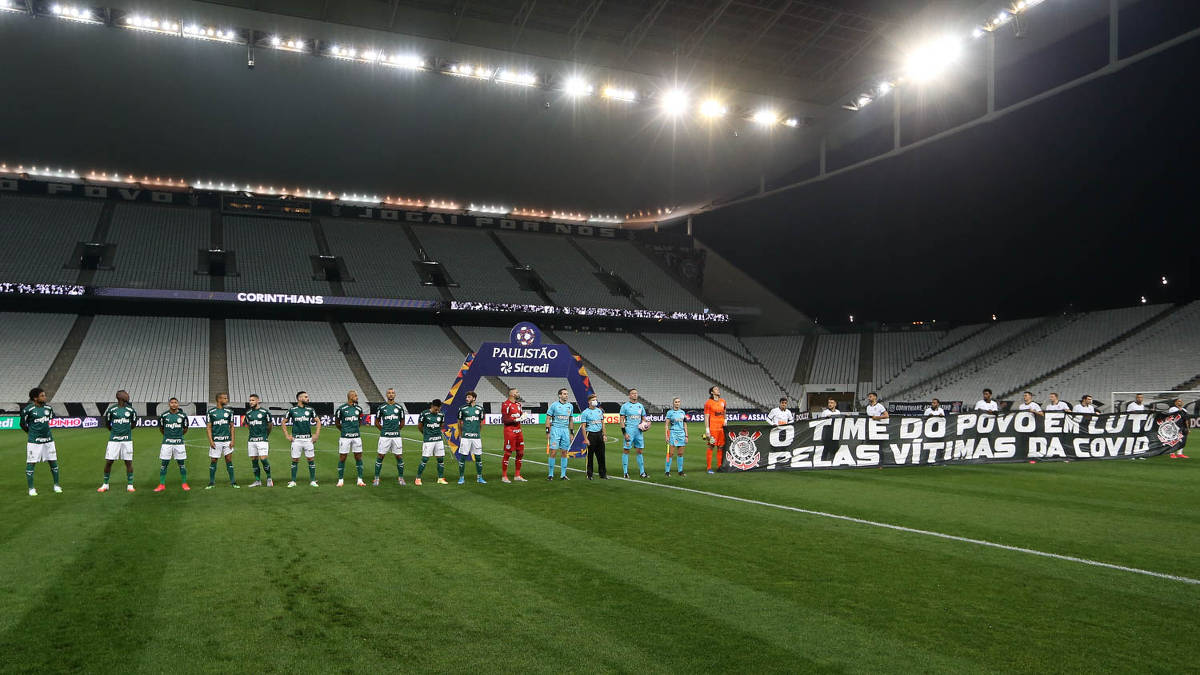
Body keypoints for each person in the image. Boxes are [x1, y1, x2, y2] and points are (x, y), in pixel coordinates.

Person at [21, 387, 60, 496]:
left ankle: (56, 485)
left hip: (48, 441)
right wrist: (31, 434)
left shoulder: (48, 408)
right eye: (42, 396)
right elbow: (22, 424)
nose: (44, 397)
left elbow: (50, 419)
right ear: (35, 398)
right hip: (34, 442)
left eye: (44, 395)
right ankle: (31, 489)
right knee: (31, 464)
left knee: (53, 462)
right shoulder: (28, 410)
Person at [99, 390, 137, 493]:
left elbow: (133, 424)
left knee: (128, 462)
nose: (128, 395)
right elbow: (107, 423)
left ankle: (130, 485)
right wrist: (114, 432)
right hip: (114, 441)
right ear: (119, 396)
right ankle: (105, 484)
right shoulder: (112, 410)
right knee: (109, 461)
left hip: (127, 441)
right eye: (125, 394)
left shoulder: (131, 410)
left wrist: (126, 431)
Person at [284, 391, 321, 487]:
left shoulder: (310, 409)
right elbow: (283, 422)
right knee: (295, 459)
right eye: (306, 397)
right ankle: (293, 481)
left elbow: (318, 421)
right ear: (300, 398)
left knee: (310, 459)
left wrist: (316, 434)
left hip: (308, 439)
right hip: (296, 440)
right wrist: (287, 435)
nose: (308, 398)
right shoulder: (292, 410)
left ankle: (312, 480)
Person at [154, 397, 189, 492]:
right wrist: (168, 436)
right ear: (169, 404)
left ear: (178, 404)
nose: (174, 404)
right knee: (164, 464)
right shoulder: (164, 415)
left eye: (175, 402)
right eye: (172, 402)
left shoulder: (183, 416)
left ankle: (184, 483)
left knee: (181, 464)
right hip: (167, 443)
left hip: (179, 443)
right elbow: (161, 428)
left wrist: (178, 436)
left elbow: (185, 428)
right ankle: (161, 484)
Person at [373, 388, 407, 486]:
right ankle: (376, 478)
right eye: (389, 393)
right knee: (380, 456)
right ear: (386, 395)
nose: (391, 394)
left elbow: (402, 422)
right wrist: (383, 430)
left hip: (396, 437)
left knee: (399, 457)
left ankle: (401, 478)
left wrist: (396, 430)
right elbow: (377, 422)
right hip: (384, 437)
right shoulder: (381, 408)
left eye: (392, 393)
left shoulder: (399, 408)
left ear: (395, 395)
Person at [206, 392, 239, 489]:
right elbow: (208, 427)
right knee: (213, 460)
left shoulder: (229, 412)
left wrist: (232, 440)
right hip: (216, 441)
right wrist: (211, 441)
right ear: (219, 399)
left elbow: (232, 427)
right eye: (225, 398)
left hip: (227, 440)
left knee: (229, 460)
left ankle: (233, 482)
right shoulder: (211, 412)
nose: (226, 400)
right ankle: (211, 482)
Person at [334, 390, 366, 487]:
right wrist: (344, 431)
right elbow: (337, 423)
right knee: (342, 458)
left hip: (356, 437)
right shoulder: (341, 409)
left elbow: (360, 421)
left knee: (358, 457)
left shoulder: (359, 409)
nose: (357, 397)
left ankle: (360, 480)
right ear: (350, 397)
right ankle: (340, 480)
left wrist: (354, 430)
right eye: (355, 396)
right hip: (345, 438)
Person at [455, 391, 486, 484]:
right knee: (463, 457)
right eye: (466, 397)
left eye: (469, 397)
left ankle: (479, 477)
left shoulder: (480, 409)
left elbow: (481, 423)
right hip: (466, 437)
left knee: (478, 457)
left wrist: (477, 433)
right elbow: (459, 422)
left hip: (476, 437)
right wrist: (460, 434)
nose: (466, 399)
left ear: (474, 398)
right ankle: (461, 477)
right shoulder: (462, 409)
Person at [545, 389, 576, 481]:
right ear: (559, 395)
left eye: (567, 394)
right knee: (553, 452)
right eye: (564, 394)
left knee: (564, 452)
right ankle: (550, 474)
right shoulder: (554, 405)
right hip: (555, 430)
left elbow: (571, 420)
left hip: (565, 431)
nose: (566, 395)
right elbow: (547, 418)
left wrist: (571, 433)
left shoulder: (570, 406)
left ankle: (563, 475)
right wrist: (547, 431)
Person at [415, 399, 448, 485]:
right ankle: (418, 478)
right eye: (436, 409)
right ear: (432, 406)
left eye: (439, 409)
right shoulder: (424, 414)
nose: (437, 410)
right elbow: (419, 426)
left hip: (438, 440)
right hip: (428, 440)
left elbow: (441, 425)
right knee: (425, 459)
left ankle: (440, 478)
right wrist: (425, 433)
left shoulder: (441, 415)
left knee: (440, 459)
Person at [244, 394, 273, 487]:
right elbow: (248, 424)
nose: (250, 402)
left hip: (262, 440)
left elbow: (270, 425)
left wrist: (265, 435)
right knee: (254, 461)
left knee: (263, 459)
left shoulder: (265, 412)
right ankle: (257, 480)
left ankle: (269, 478)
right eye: (250, 400)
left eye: (252, 400)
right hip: (251, 440)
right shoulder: (248, 413)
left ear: (257, 401)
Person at [619, 388, 649, 479]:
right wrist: (624, 433)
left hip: (638, 432)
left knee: (639, 451)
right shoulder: (625, 406)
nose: (635, 395)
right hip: (629, 431)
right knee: (626, 450)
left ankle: (642, 472)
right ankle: (625, 472)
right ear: (629, 395)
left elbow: (644, 418)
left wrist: (645, 425)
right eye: (633, 393)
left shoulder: (640, 406)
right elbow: (621, 420)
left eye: (636, 393)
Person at [500, 388, 526, 483]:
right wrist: (516, 420)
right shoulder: (506, 404)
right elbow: (504, 420)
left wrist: (523, 417)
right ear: (512, 394)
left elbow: (520, 416)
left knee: (520, 453)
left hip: (519, 431)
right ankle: (504, 476)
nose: (518, 393)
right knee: (508, 453)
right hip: (510, 432)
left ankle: (517, 475)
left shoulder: (519, 405)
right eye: (517, 392)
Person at [581, 394, 608, 479]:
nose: (595, 401)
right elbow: (583, 427)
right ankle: (589, 474)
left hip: (599, 434)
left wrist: (604, 435)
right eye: (593, 400)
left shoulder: (599, 411)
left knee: (601, 455)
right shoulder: (585, 412)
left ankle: (603, 474)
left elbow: (602, 423)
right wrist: (586, 439)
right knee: (590, 456)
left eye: (596, 400)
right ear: (589, 402)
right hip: (591, 435)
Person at [703, 386, 727, 473]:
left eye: (718, 389)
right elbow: (706, 417)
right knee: (711, 446)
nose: (718, 390)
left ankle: (719, 466)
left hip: (721, 428)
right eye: (716, 389)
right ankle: (709, 468)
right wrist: (707, 430)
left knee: (720, 447)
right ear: (712, 392)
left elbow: (724, 412)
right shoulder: (708, 403)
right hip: (713, 428)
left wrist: (725, 420)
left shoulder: (723, 401)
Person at [664, 397, 688, 477]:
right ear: (673, 403)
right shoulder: (670, 412)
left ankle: (680, 471)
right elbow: (666, 425)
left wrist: (686, 435)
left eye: (678, 402)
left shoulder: (682, 412)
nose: (677, 403)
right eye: (676, 402)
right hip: (673, 433)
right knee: (670, 453)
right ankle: (667, 471)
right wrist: (667, 436)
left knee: (680, 453)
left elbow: (685, 424)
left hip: (681, 434)